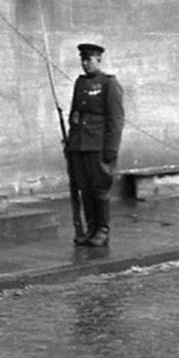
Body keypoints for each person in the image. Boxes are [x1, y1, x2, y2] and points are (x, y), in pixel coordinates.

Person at [66, 43, 125, 247]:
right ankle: (91, 227)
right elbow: (74, 113)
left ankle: (102, 230)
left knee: (99, 189)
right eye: (82, 60)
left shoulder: (109, 84)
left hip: (98, 145)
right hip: (79, 144)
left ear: (98, 60)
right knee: (85, 189)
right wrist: (71, 141)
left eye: (89, 60)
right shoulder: (80, 83)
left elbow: (116, 119)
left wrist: (111, 148)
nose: (85, 64)